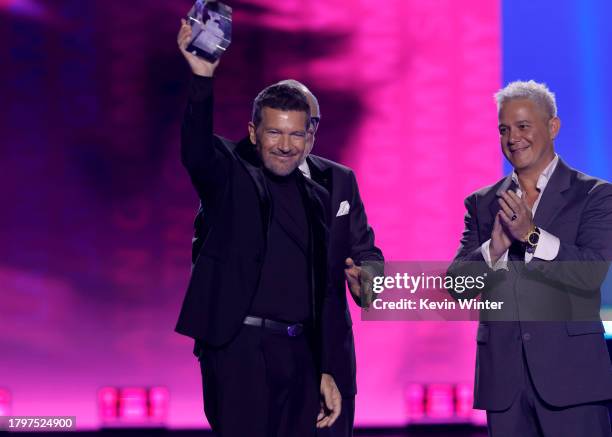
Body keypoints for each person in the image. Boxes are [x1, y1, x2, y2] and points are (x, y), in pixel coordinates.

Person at [175, 20, 341, 437]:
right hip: (239, 349)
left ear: (309, 139)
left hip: (300, 355)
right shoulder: (230, 174)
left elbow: (319, 291)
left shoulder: (317, 198)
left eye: (295, 135)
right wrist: (201, 75)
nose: (285, 145)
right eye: (274, 133)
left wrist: (324, 368)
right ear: (253, 132)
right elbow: (196, 150)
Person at [449, 80, 612, 436]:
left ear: (552, 126)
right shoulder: (482, 203)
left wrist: (531, 236)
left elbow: (590, 273)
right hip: (504, 385)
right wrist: (494, 250)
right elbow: (457, 286)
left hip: (573, 381)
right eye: (504, 129)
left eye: (523, 126)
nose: (513, 138)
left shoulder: (595, 195)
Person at [277, 79, 384, 437]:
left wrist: (368, 279)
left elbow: (364, 250)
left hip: (331, 356)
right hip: (266, 358)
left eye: (311, 124)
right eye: (292, 126)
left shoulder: (340, 180)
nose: (304, 134)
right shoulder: (246, 181)